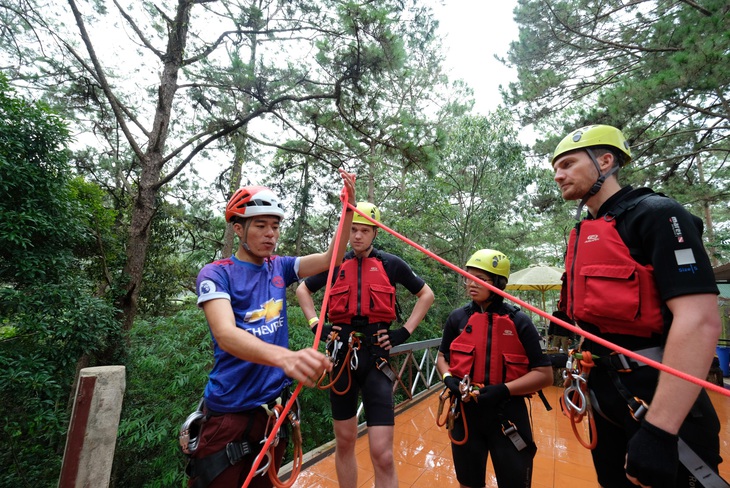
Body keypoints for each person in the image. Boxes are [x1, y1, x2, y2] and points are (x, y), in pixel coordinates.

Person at [552, 124, 723, 487]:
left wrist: (660, 431)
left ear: (606, 160)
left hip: (659, 397)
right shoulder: (588, 231)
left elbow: (700, 320)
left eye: (567, 163)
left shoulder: (658, 214)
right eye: (555, 168)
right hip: (605, 395)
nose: (558, 174)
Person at [186, 170, 356, 488]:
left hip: (271, 414)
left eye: (275, 226)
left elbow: (331, 258)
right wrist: (286, 358)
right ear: (238, 228)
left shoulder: (278, 267)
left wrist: (348, 210)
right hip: (229, 413)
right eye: (261, 226)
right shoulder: (216, 274)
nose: (270, 235)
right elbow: (225, 333)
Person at [296, 201, 435, 488]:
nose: (357, 236)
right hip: (341, 357)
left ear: (375, 233)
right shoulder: (335, 264)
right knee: (344, 442)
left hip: (377, 358)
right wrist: (316, 325)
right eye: (353, 230)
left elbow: (426, 294)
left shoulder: (391, 264)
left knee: (382, 453)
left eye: (364, 231)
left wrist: (403, 332)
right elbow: (303, 289)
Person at [436, 249, 553, 488]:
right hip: (465, 413)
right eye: (468, 277)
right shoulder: (457, 318)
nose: (471, 283)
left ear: (499, 283)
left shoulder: (519, 321)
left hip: (506, 414)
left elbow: (545, 375)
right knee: (467, 482)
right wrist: (448, 378)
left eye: (481, 279)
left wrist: (504, 390)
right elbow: (441, 357)